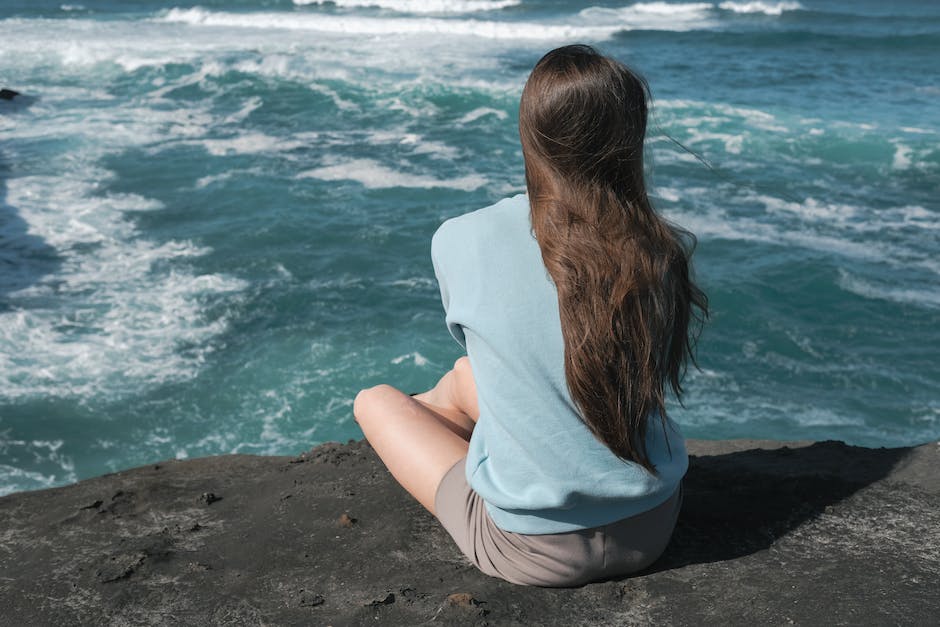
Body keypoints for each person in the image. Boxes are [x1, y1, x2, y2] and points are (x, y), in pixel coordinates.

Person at [354, 44, 707, 587]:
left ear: (532, 135)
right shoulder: (655, 248)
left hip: (530, 548)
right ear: (630, 138)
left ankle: (446, 424)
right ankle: (453, 417)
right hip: (653, 521)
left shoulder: (461, 237)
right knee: (468, 376)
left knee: (375, 401)